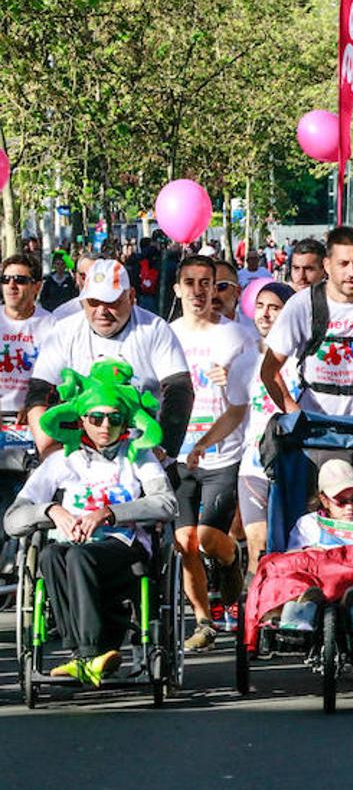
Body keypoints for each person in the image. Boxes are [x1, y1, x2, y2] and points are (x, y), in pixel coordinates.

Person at [4, 361, 178, 687]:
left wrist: (108, 513)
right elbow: (13, 519)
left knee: (76, 557)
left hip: (124, 549)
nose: (104, 426)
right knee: (50, 556)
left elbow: (167, 504)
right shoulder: (61, 460)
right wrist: (52, 510)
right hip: (71, 546)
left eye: (114, 418)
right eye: (96, 418)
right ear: (82, 419)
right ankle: (87, 654)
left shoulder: (138, 456)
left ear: (125, 420)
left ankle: (87, 654)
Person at [25, 259, 194, 466]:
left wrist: (164, 449)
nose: (101, 310)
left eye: (111, 302)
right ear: (82, 302)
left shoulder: (154, 329)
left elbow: (180, 390)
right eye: (93, 302)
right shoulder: (64, 331)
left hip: (137, 452)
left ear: (131, 297)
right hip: (79, 453)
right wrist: (48, 448)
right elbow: (39, 392)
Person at [241, 459, 353, 667]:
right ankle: (304, 605)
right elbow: (293, 558)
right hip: (313, 576)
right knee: (289, 572)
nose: (350, 507)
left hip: (352, 577)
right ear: (324, 500)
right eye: (341, 501)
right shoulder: (307, 523)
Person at [168, 255, 250, 651]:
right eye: (191, 282)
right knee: (184, 541)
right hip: (178, 458)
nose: (199, 291)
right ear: (178, 289)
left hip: (222, 455)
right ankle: (203, 621)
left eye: (208, 282)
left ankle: (232, 559)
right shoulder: (166, 335)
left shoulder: (235, 337)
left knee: (207, 538)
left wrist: (232, 379)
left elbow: (243, 406)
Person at [261, 226, 353, 420]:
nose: (352, 272)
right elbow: (269, 371)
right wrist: (296, 417)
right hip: (315, 429)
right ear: (327, 265)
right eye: (343, 264)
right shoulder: (301, 305)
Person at [237, 280, 297, 575]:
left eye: (274, 308)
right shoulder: (243, 357)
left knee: (291, 544)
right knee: (257, 543)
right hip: (253, 464)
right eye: (260, 307)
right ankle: (255, 610)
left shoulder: (305, 358)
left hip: (295, 460)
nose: (265, 314)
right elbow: (232, 412)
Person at [0, 254, 53, 432]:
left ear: (37, 287)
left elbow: (58, 376)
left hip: (33, 418)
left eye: (20, 280)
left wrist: (34, 407)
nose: (11, 286)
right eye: (5, 280)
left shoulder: (51, 325)